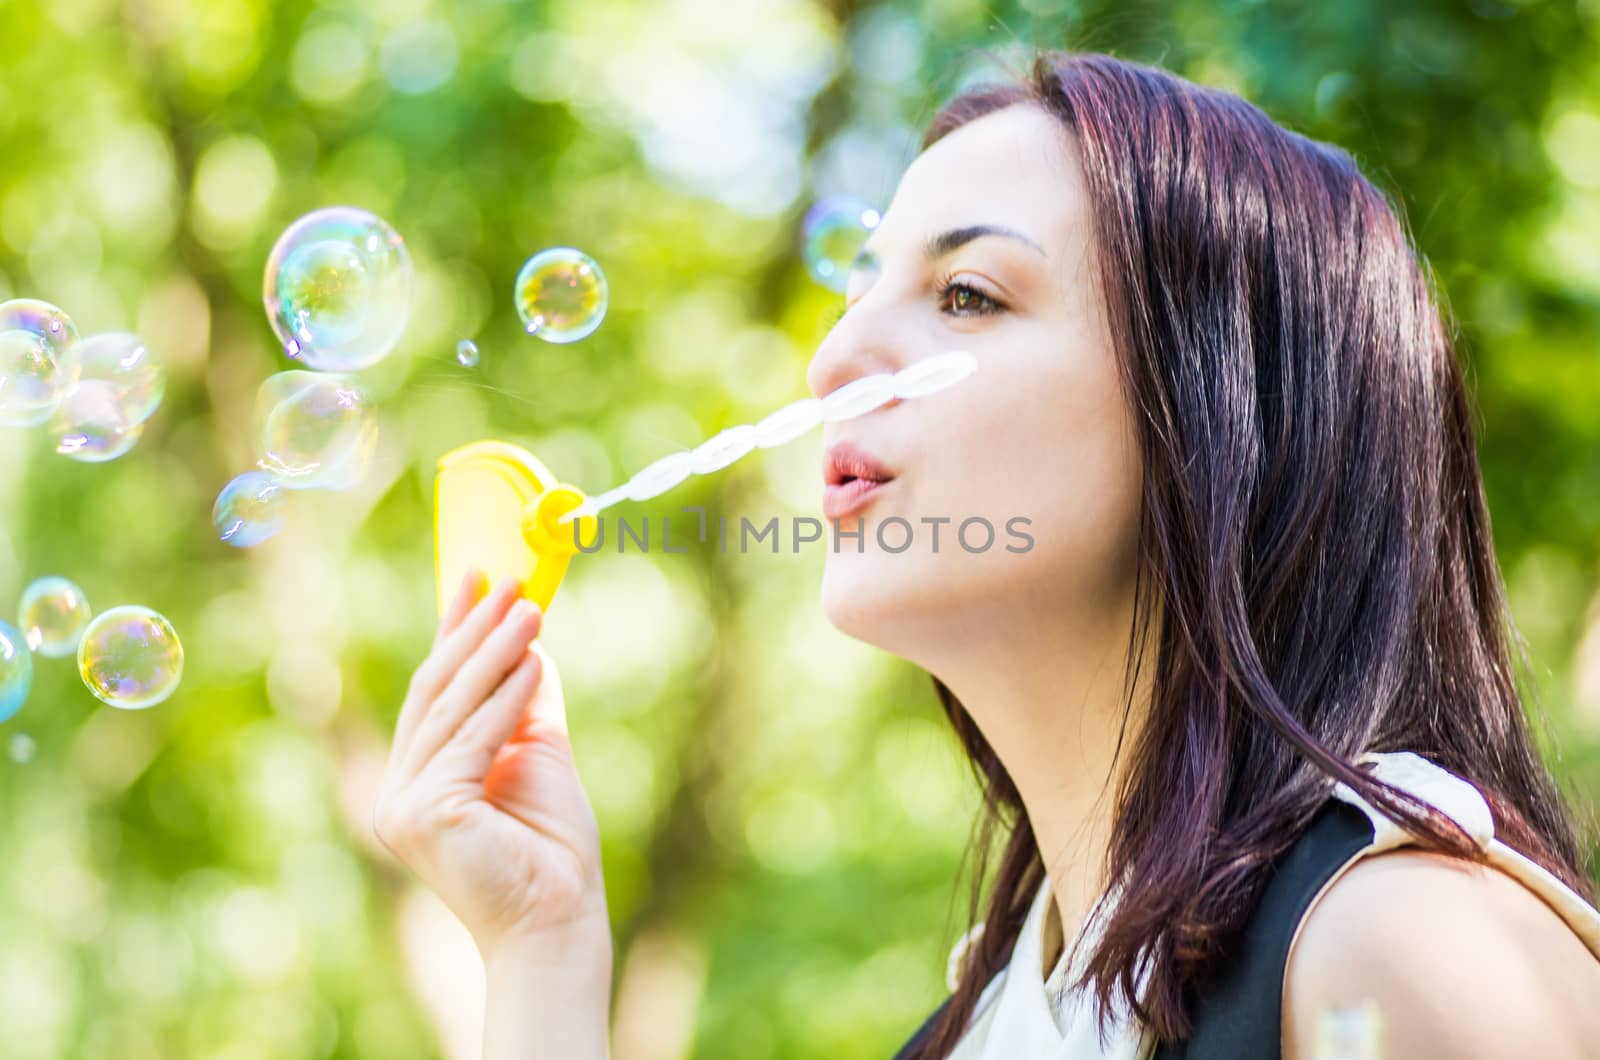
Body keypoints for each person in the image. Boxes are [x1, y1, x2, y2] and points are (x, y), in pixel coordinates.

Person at [373, 49, 1600, 1059]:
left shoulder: (1402, 943)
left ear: (1218, 411)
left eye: (966, 293)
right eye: (860, 294)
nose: (835, 359)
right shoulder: (985, 1023)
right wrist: (540, 947)